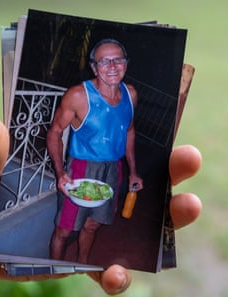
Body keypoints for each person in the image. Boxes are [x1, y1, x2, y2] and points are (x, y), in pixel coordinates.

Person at [0, 98, 201, 297]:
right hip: (73, 180)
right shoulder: (75, 107)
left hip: (105, 182)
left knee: (95, 227)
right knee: (63, 227)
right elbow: (57, 141)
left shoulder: (125, 116)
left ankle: (83, 253)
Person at [47, 39, 144, 264]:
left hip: (113, 169)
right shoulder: (78, 96)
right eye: (104, 61)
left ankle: (82, 265)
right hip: (80, 168)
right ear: (94, 67)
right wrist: (61, 172)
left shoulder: (131, 94)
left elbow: (129, 131)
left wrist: (133, 171)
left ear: (126, 64)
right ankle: (51, 273)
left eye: (117, 59)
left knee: (92, 226)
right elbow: (54, 132)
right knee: (63, 230)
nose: (112, 66)